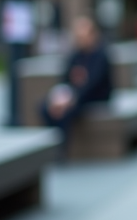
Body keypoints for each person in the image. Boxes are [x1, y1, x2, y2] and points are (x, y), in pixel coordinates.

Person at [41, 15, 113, 152]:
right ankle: (50, 146)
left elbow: (94, 84)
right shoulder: (75, 55)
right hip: (74, 95)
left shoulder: (101, 55)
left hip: (94, 97)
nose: (81, 39)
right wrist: (60, 98)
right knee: (45, 107)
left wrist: (71, 100)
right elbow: (65, 79)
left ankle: (62, 150)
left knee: (66, 112)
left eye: (83, 35)